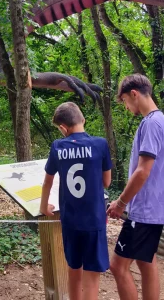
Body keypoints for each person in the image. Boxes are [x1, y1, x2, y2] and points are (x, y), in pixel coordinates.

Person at [107, 74, 164, 300]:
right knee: (146, 262)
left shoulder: (151, 124)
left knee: (118, 266)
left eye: (125, 100)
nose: (126, 106)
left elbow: (143, 170)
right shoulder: (162, 121)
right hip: (155, 209)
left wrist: (121, 203)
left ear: (134, 94)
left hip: (144, 211)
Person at [40, 102, 112, 300]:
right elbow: (107, 182)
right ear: (83, 120)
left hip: (70, 220)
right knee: (92, 275)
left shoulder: (58, 147)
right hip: (94, 221)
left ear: (63, 128)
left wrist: (43, 206)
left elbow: (47, 181)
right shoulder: (100, 144)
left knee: (74, 268)